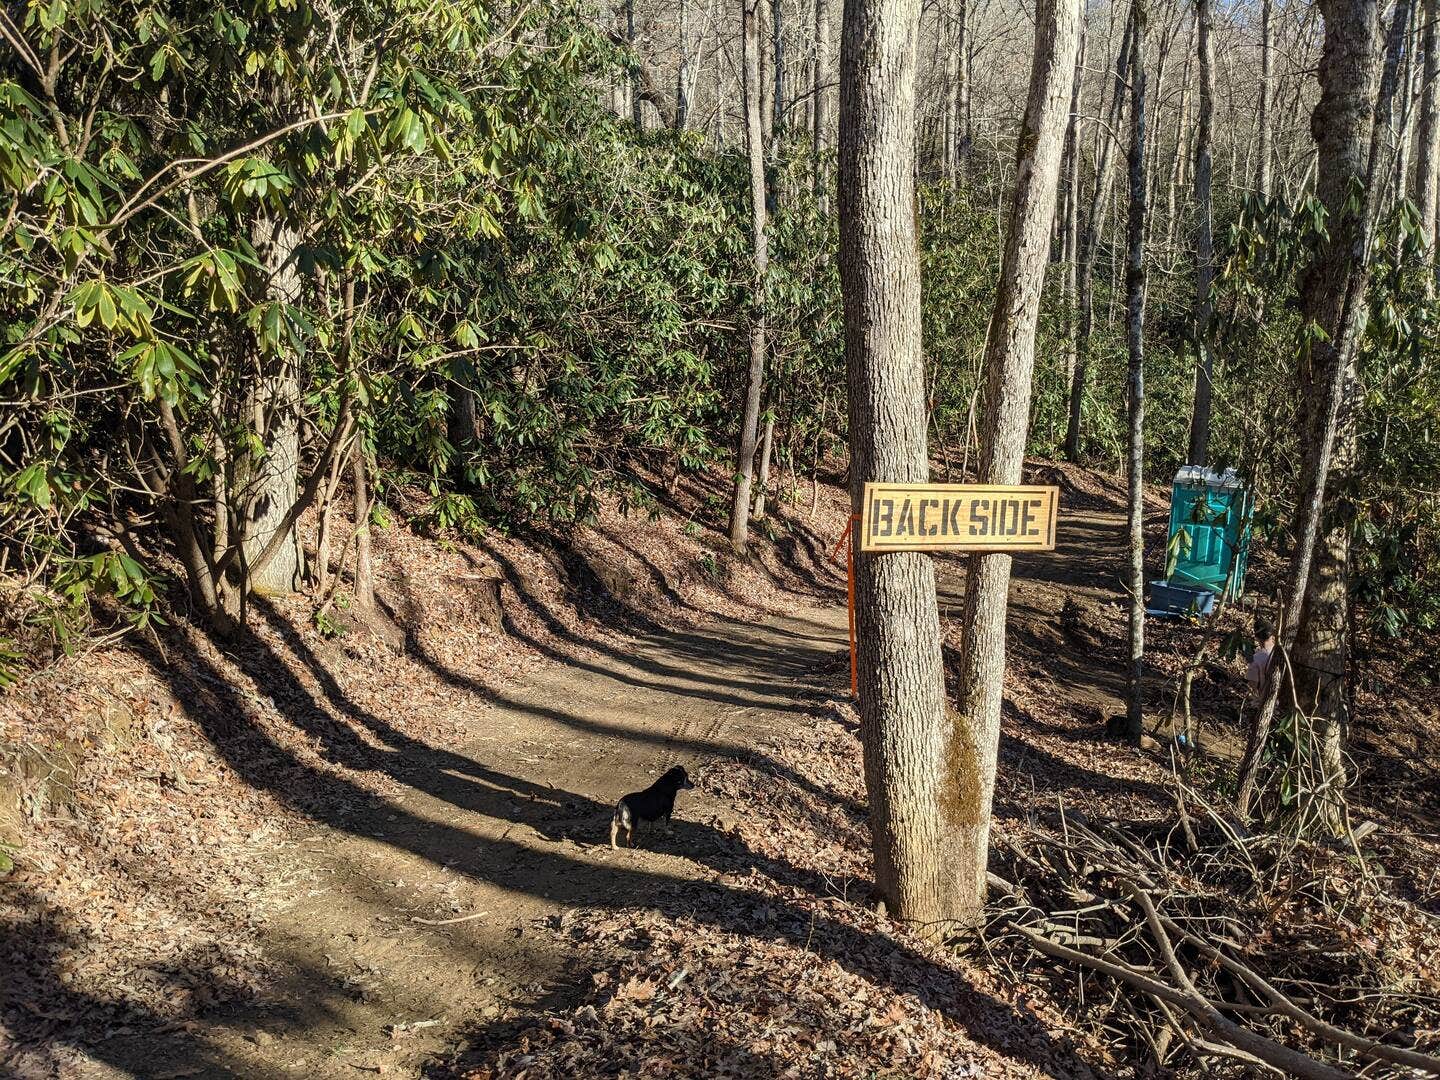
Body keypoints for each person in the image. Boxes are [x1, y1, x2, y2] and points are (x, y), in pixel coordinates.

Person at [1246, 620, 1275, 699]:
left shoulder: (1256, 659)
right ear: (1272, 635)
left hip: (1266, 702)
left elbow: (1252, 687)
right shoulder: (1285, 653)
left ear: (1257, 638)